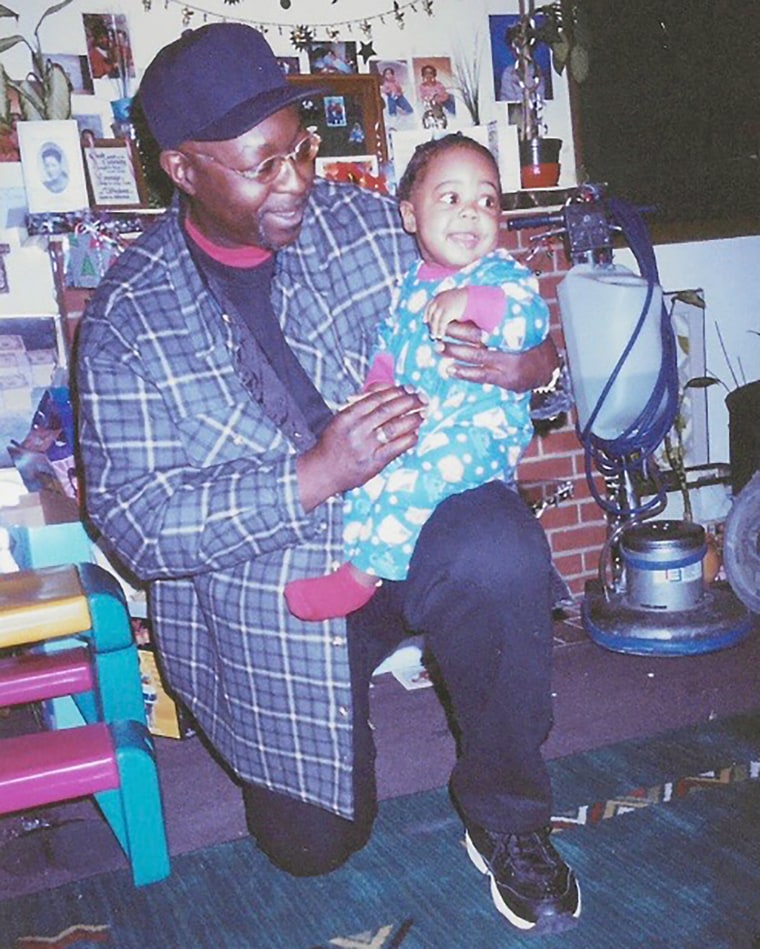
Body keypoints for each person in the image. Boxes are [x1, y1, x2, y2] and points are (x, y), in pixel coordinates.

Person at [76, 24, 580, 934]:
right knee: (313, 846)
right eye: (262, 165)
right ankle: (342, 719)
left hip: (411, 527)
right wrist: (310, 476)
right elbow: (134, 521)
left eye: (299, 148)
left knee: (499, 544)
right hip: (275, 593)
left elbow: (514, 315)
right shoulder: (128, 323)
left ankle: (511, 820)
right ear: (183, 171)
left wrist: (533, 363)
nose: (297, 179)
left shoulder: (363, 225)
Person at [284, 134, 549, 622]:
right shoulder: (411, 283)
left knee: (414, 485)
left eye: (486, 200)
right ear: (410, 216)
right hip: (426, 426)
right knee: (371, 475)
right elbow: (391, 341)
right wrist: (378, 385)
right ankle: (362, 556)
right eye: (451, 198)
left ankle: (362, 577)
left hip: (477, 431)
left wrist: (473, 303)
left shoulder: (497, 274)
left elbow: (530, 320)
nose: (471, 212)